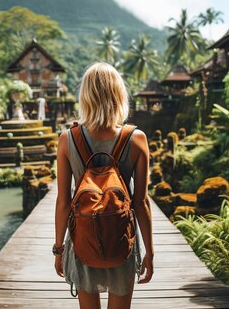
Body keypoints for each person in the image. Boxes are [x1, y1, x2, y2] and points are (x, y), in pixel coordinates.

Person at [54, 62, 154, 309]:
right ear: (118, 93)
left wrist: (59, 249)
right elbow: (141, 202)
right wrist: (150, 252)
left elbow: (64, 202)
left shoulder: (68, 139)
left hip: (82, 239)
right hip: (122, 238)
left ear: (85, 96)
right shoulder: (136, 138)